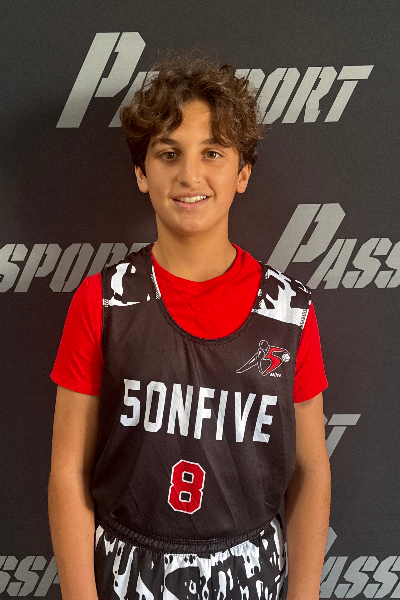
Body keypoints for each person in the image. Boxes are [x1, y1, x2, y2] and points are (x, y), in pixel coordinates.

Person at [48, 53, 330, 600]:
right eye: (169, 153)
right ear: (141, 172)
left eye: (213, 153)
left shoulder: (289, 311)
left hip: (250, 570)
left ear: (243, 172)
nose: (190, 175)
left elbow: (311, 470)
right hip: (128, 568)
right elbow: (68, 471)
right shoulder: (103, 301)